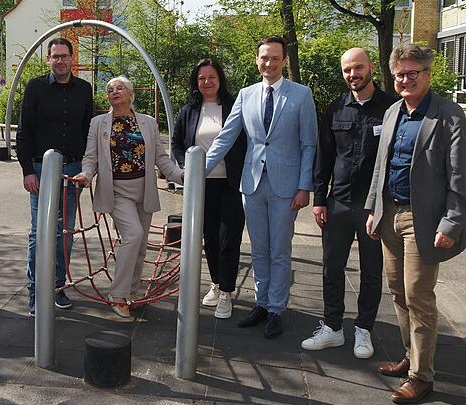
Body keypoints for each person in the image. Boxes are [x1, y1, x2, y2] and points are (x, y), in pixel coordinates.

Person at [365, 44, 466, 404]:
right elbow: (382, 166)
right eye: (399, 75)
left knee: (418, 295)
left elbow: (459, 176)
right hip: (389, 213)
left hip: (423, 220)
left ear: (427, 74)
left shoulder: (449, 115)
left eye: (412, 73)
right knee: (396, 290)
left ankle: (422, 377)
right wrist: (374, 208)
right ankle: (411, 357)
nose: (405, 80)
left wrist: (451, 223)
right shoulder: (393, 112)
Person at [204, 36, 317, 338]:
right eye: (264, 58)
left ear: (283, 61)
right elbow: (226, 137)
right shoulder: (246, 94)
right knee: (258, 249)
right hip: (252, 184)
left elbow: (308, 144)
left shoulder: (301, 95)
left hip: (286, 186)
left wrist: (305, 186)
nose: (269, 63)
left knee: (279, 249)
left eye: (275, 58)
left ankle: (277, 308)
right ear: (258, 60)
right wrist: (197, 170)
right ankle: (261, 303)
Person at [301, 48, 397, 358]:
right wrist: (319, 199)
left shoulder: (391, 110)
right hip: (338, 202)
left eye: (357, 68)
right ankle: (332, 328)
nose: (352, 74)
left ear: (370, 67)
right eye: (347, 70)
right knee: (332, 268)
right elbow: (324, 157)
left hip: (373, 206)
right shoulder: (334, 110)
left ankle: (364, 330)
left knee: (371, 270)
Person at [72, 76, 183, 318]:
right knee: (133, 235)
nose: (114, 91)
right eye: (110, 89)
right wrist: (86, 174)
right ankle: (118, 294)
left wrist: (180, 175)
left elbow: (161, 158)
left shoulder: (148, 123)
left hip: (143, 190)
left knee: (140, 246)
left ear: (131, 94)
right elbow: (90, 157)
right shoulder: (98, 123)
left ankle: (132, 291)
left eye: (119, 88)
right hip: (117, 191)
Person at [16, 37, 94, 316]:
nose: (59, 61)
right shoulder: (35, 88)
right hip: (40, 169)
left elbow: (88, 133)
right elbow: (24, 131)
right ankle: (36, 292)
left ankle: (58, 287)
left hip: (71, 170)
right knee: (39, 234)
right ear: (48, 59)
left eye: (64, 56)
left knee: (66, 234)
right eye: (54, 56)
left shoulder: (84, 90)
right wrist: (27, 170)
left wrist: (87, 168)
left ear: (73, 59)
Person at [171, 57, 247, 320]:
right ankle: (216, 282)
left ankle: (227, 291)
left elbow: (246, 142)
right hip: (202, 185)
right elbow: (177, 143)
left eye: (211, 77)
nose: (206, 82)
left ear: (220, 79)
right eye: (201, 78)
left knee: (229, 238)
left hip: (231, 184)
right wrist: (186, 167)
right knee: (210, 239)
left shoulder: (235, 106)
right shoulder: (189, 110)